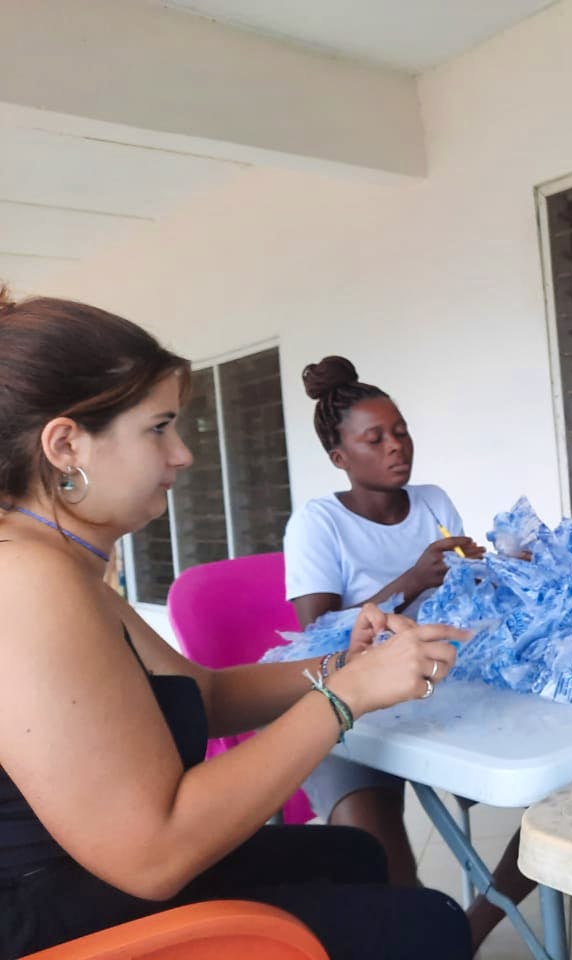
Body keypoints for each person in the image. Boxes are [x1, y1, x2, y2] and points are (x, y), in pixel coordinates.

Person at [0, 291, 472, 960]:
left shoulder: (60, 566)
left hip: (92, 871)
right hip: (52, 912)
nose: (183, 455)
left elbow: (208, 695)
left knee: (356, 855)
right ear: (66, 444)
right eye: (159, 427)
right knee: (433, 925)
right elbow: (154, 854)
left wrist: (347, 663)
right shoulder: (26, 581)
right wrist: (346, 699)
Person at [284, 356, 534, 949]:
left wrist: (500, 570)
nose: (397, 447)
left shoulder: (432, 500)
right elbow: (315, 629)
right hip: (350, 705)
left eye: (401, 431)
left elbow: (462, 598)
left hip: (439, 686)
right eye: (375, 438)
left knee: (550, 800)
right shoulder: (318, 524)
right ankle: (425, 938)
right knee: (383, 867)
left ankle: (473, 928)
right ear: (340, 457)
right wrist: (412, 579)